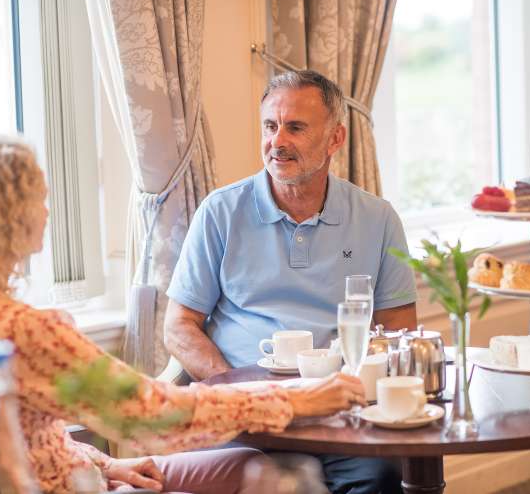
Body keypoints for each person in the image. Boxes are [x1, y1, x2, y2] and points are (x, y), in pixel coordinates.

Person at [0, 136, 366, 494]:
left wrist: (105, 463)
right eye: (38, 199)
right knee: (284, 477)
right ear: (8, 219)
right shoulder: (22, 331)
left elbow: (21, 435)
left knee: (248, 463)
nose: (47, 211)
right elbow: (152, 415)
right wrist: (295, 400)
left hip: (77, 477)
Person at [165, 70, 417, 494]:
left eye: (295, 127)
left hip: (338, 414)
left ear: (335, 139)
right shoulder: (220, 212)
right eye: (270, 125)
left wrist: (358, 389)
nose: (277, 141)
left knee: (384, 476)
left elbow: (399, 327)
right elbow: (178, 326)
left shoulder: (378, 218)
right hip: (244, 416)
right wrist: (242, 393)